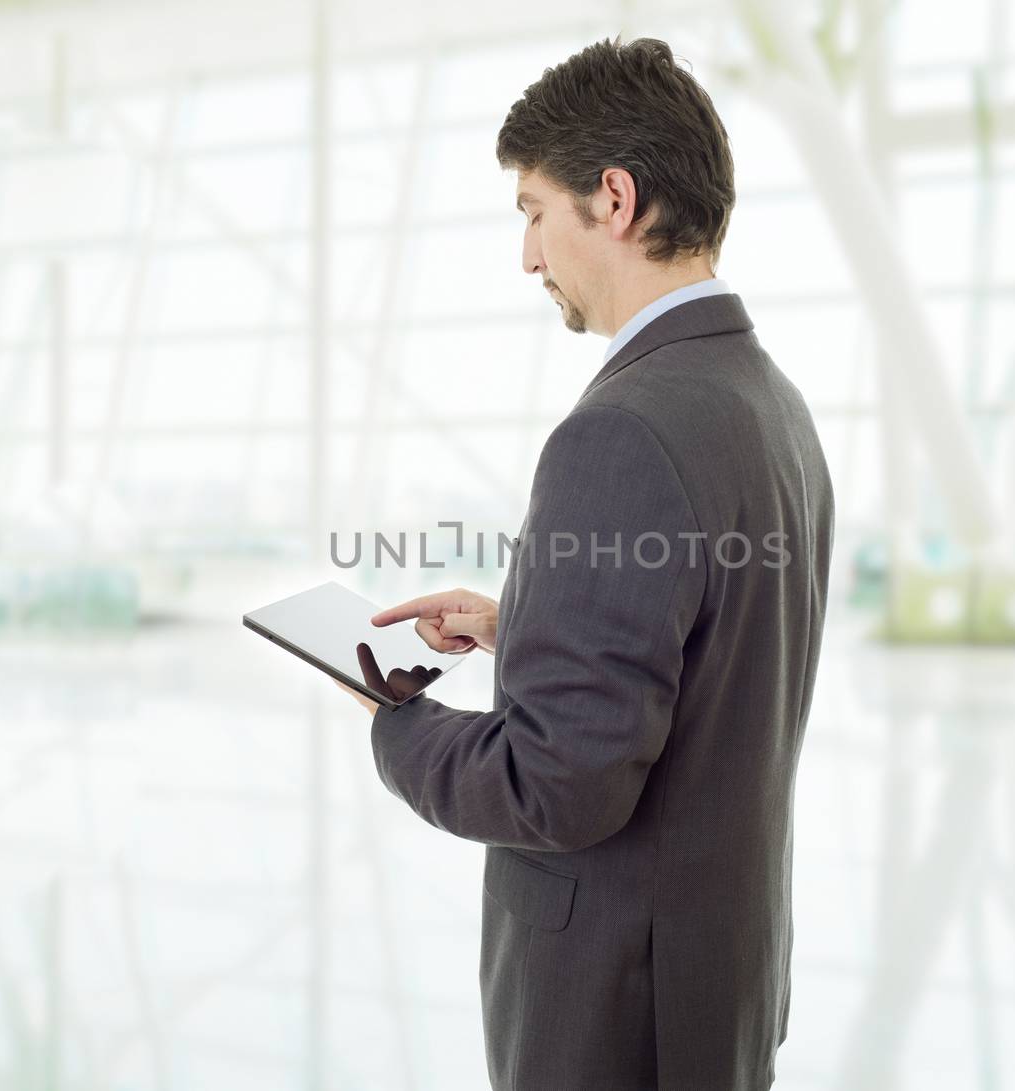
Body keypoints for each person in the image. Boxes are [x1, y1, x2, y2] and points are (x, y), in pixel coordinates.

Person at [334, 36, 834, 1091]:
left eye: (531, 210)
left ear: (613, 198)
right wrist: (529, 623)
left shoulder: (622, 430)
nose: (525, 255)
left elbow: (557, 785)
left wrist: (397, 723)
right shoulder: (769, 405)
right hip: (715, 980)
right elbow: (716, 643)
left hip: (614, 1010)